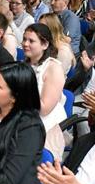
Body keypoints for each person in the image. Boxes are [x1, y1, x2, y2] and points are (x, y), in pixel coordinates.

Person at [22, 23, 67, 159]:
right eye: (24, 39)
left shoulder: (53, 68)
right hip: (24, 115)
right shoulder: (24, 64)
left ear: (45, 45)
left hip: (44, 123)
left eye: (31, 41)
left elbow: (44, 109)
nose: (25, 44)